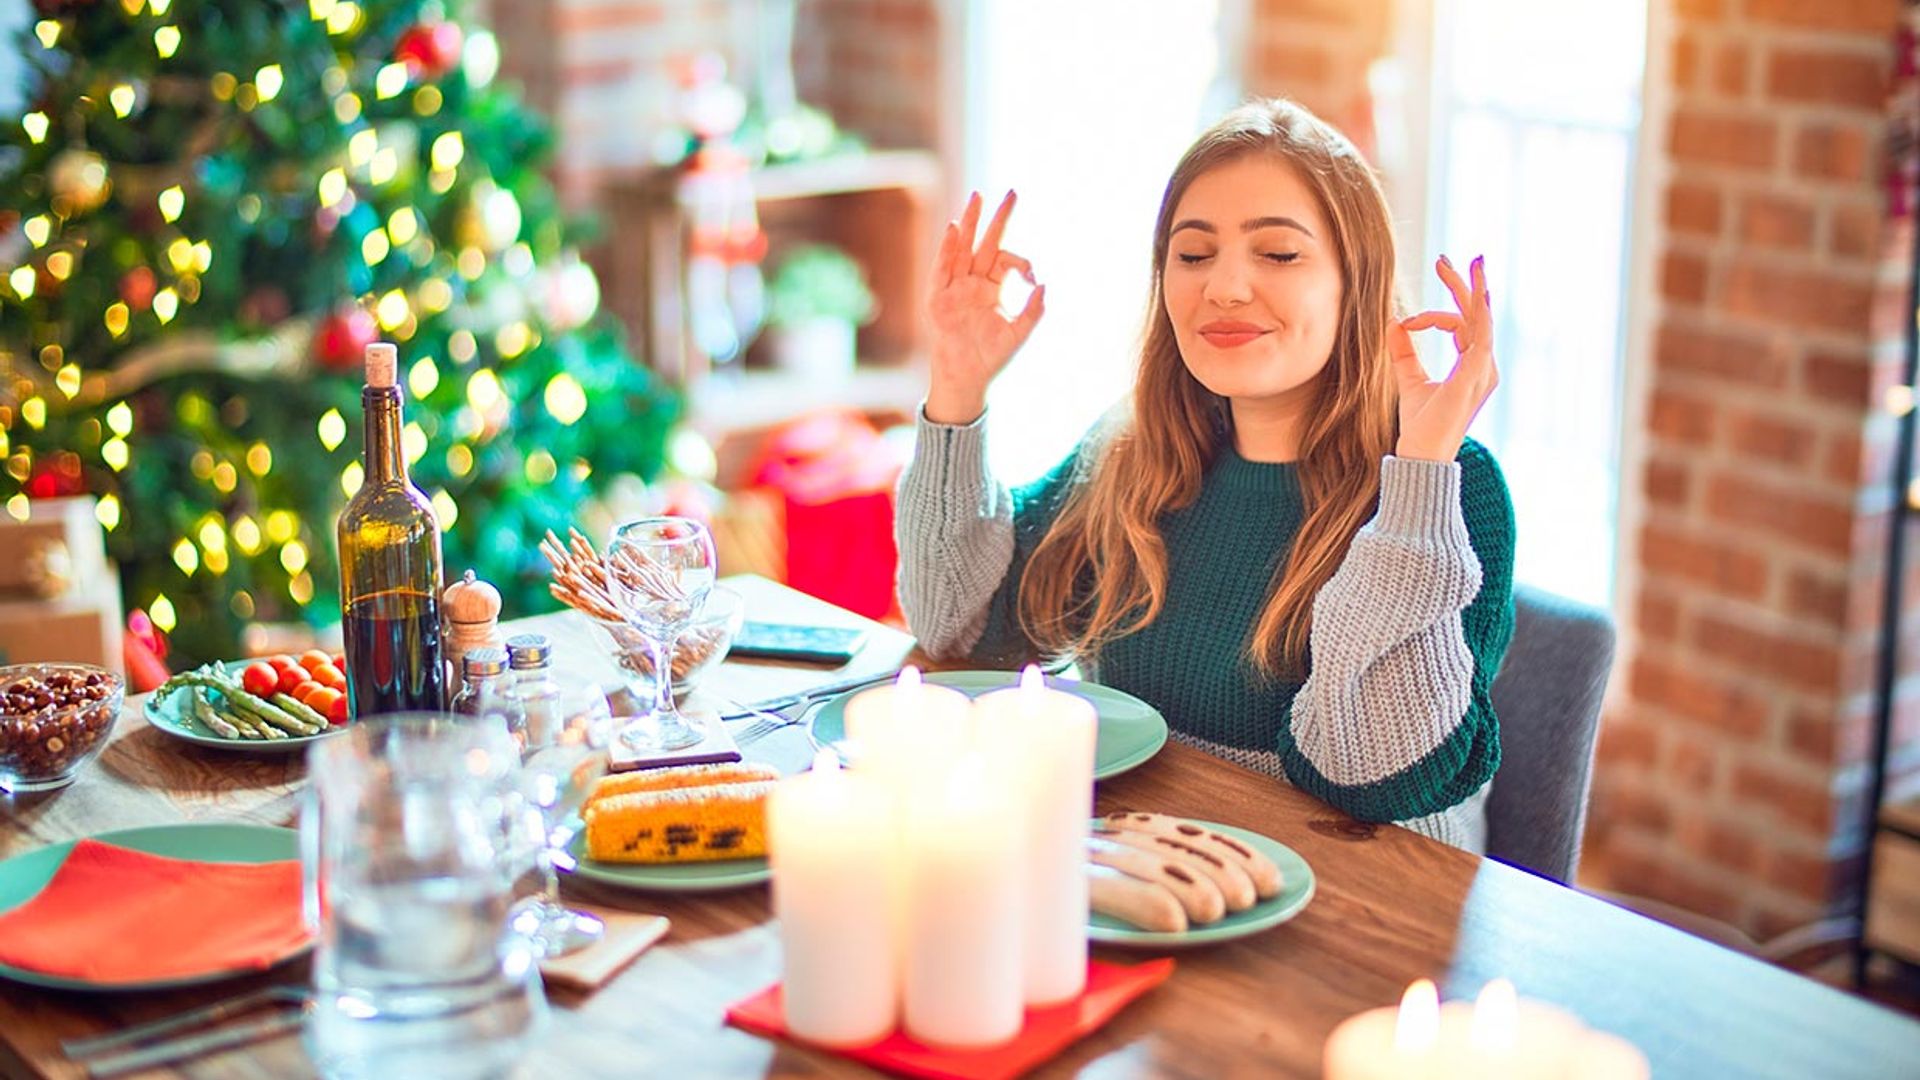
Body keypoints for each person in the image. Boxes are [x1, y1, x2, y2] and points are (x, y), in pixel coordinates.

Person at [894, 98, 1515, 851]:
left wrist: (1418, 473)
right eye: (1193, 256)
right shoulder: (1135, 451)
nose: (1223, 288)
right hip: (1146, 874)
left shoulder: (1454, 484)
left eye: (1278, 255)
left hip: (1358, 915)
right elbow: (957, 626)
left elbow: (1371, 776)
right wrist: (957, 384)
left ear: (1357, 282)